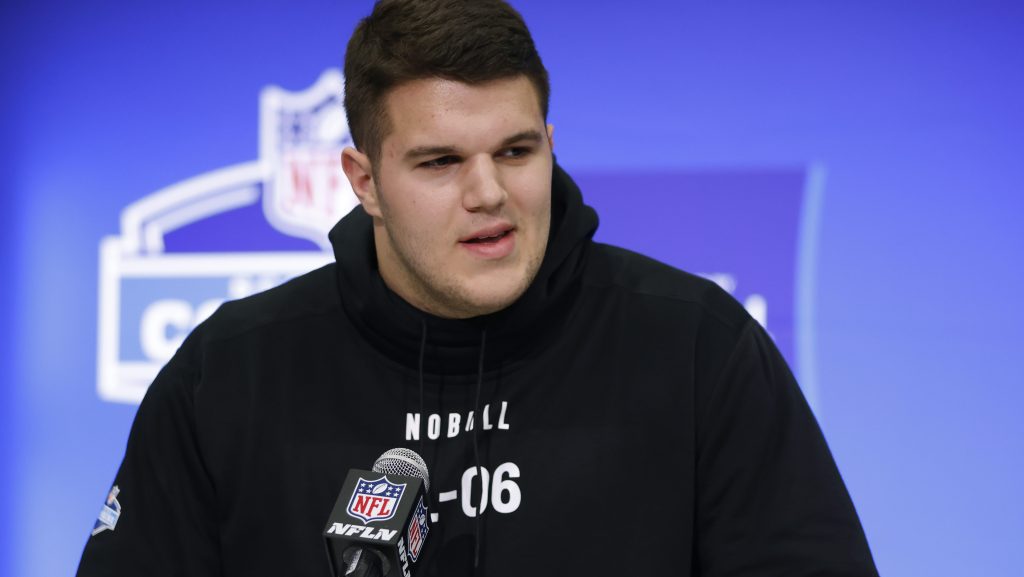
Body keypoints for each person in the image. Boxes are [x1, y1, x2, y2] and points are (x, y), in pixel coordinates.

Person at [77, 0, 879, 575]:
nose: (489, 192)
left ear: (550, 145)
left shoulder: (698, 347)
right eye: (440, 162)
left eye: (516, 152)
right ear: (364, 179)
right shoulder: (230, 372)